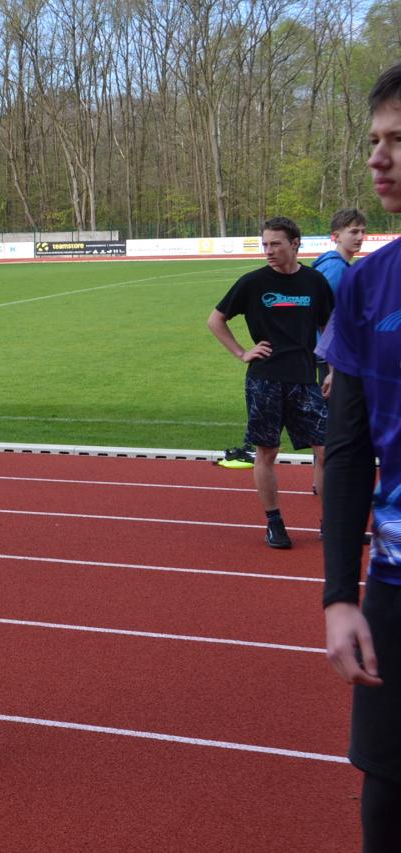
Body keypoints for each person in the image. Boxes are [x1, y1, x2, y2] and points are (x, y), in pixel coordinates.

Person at [322, 61, 401, 853]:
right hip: (396, 591)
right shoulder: (366, 284)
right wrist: (340, 594)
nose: (377, 157)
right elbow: (346, 450)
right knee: (386, 805)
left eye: (398, 140)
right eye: (376, 139)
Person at [207, 215, 333, 549]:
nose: (268, 250)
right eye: (265, 244)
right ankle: (274, 523)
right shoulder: (253, 282)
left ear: (295, 244)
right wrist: (242, 352)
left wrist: (332, 369)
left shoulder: (315, 282)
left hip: (305, 379)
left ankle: (331, 524)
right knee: (267, 452)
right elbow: (215, 320)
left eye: (275, 244)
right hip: (265, 380)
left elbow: (329, 326)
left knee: (327, 451)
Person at [312, 208, 367, 383]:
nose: (360, 237)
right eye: (354, 232)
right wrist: (332, 367)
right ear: (337, 236)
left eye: (363, 231)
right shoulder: (336, 268)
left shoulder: (339, 265)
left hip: (333, 352)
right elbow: (325, 316)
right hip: (332, 356)